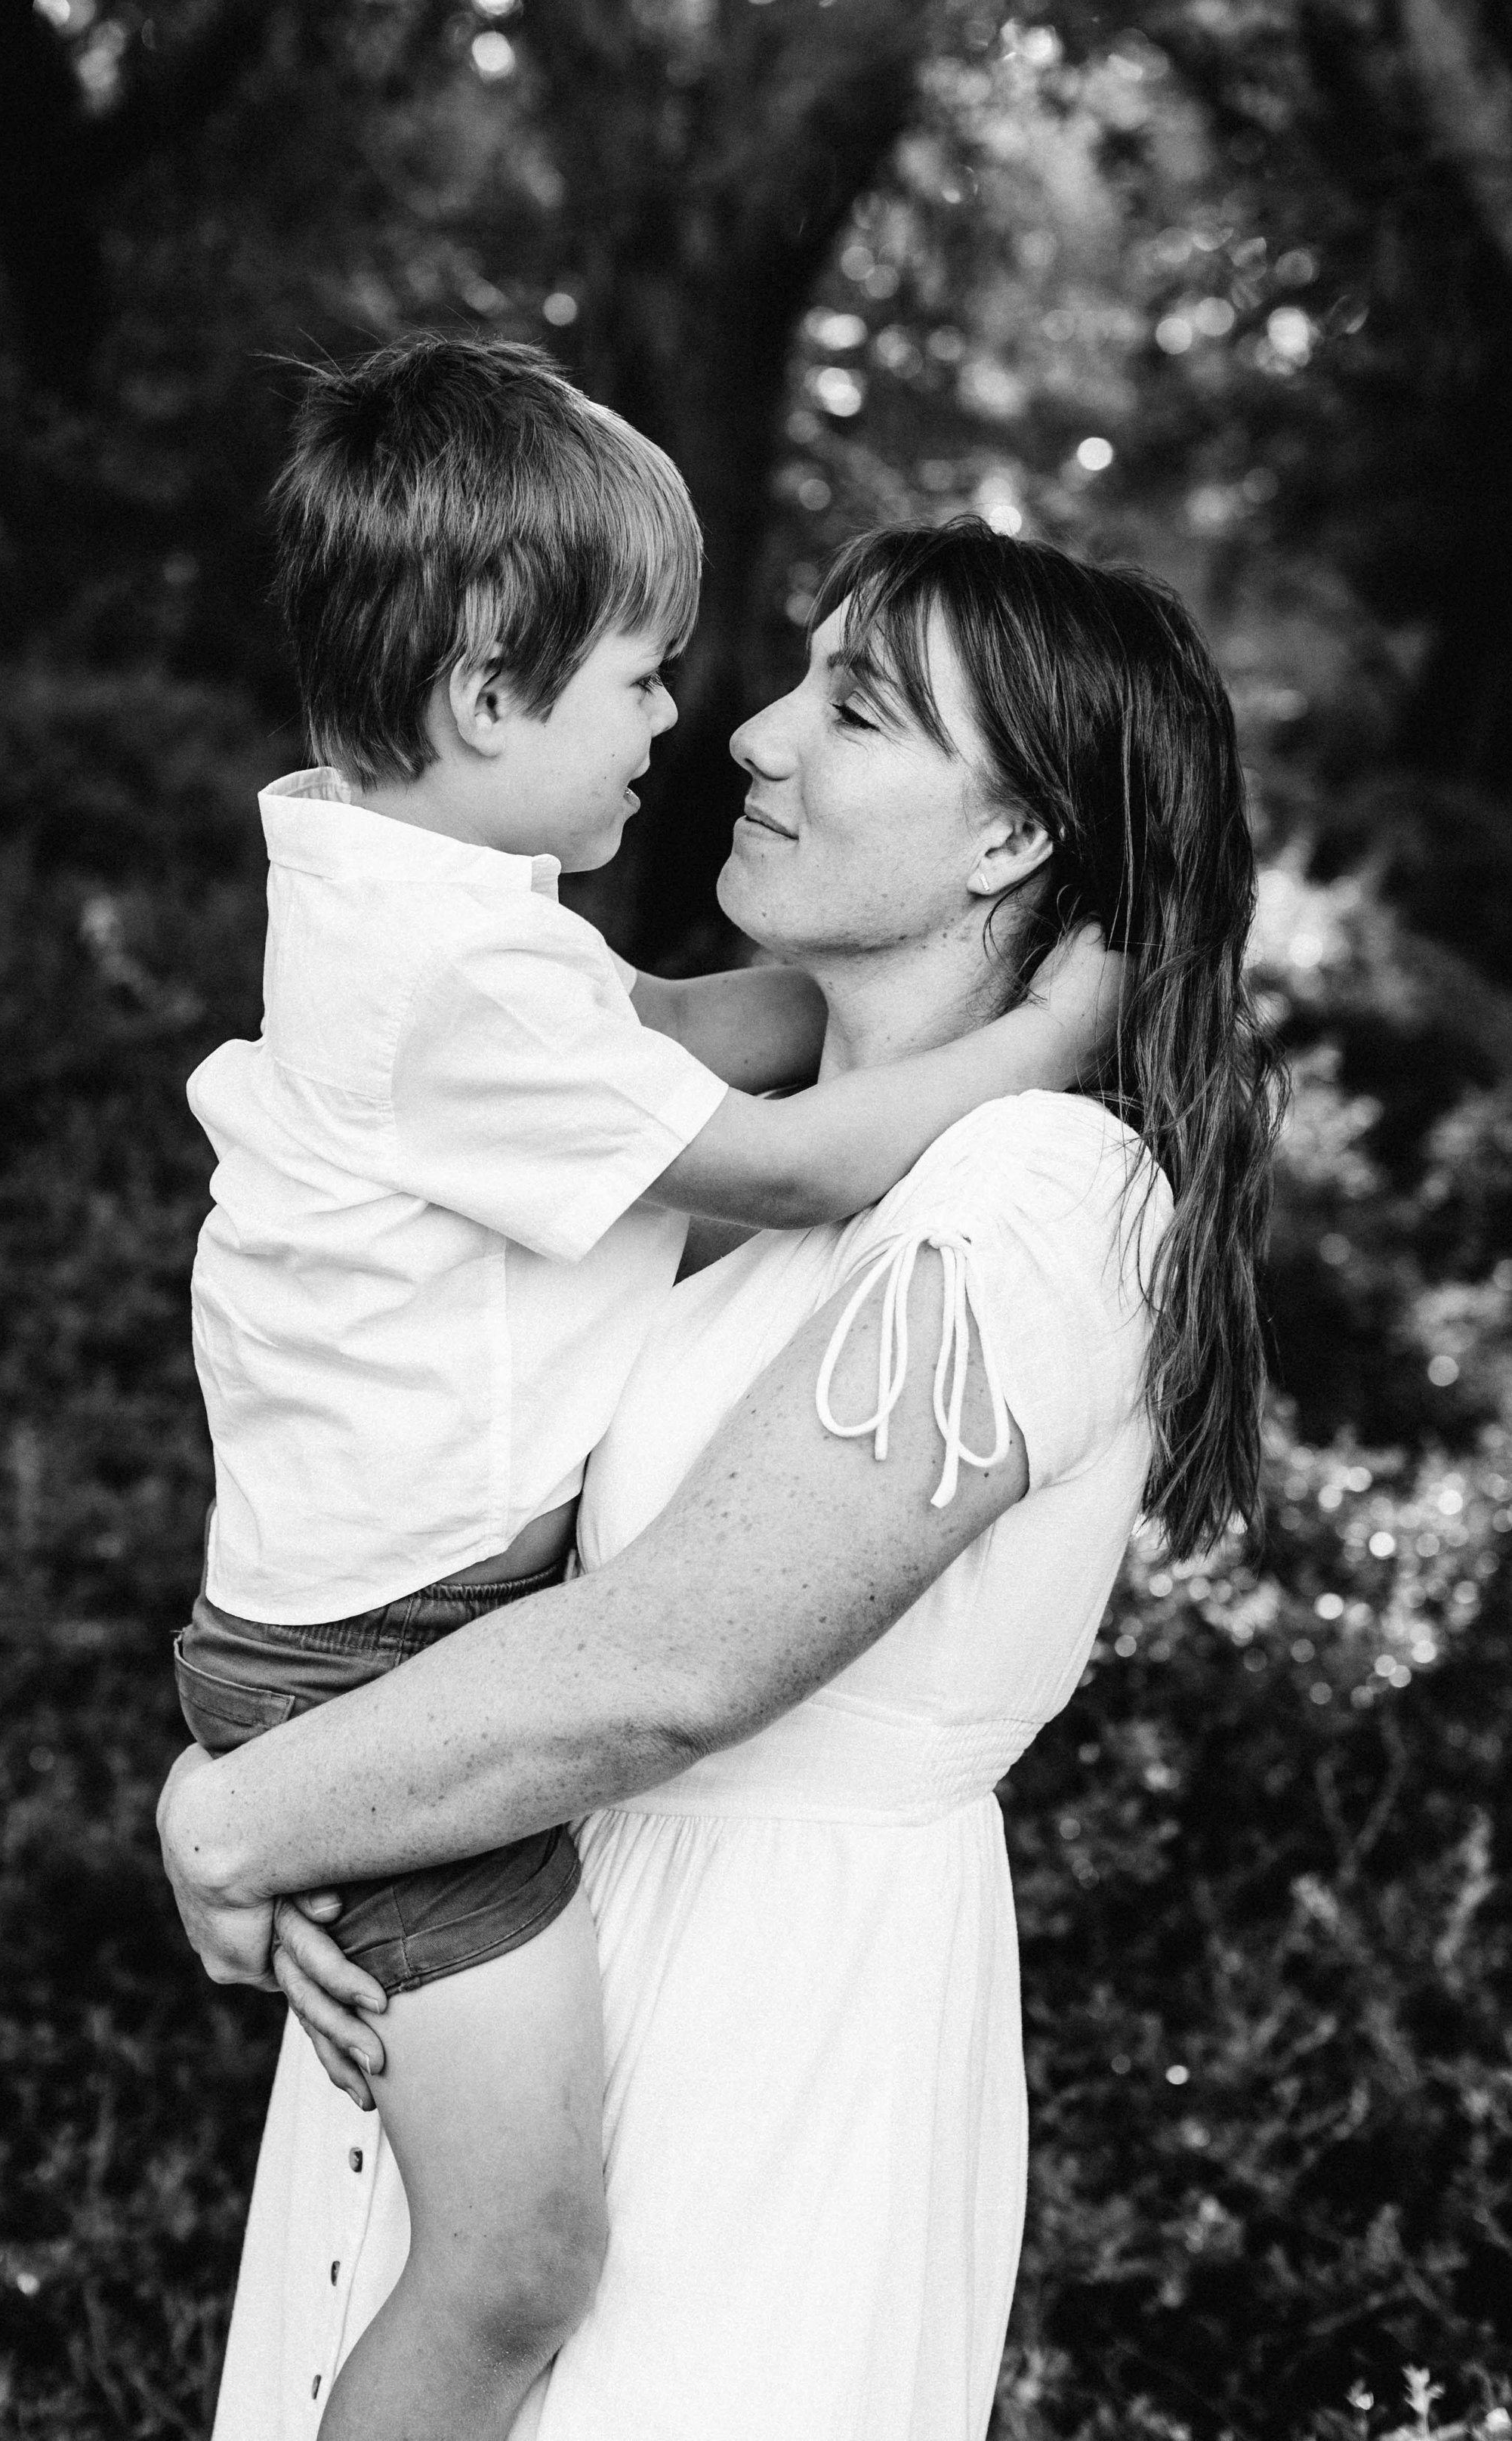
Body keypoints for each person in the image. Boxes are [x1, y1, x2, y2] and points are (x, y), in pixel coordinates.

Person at [160, 516, 1285, 2441]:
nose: (749, 737)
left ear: (1013, 839)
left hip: (759, 2028)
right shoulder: (760, 1174)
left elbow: (674, 1659)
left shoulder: (1026, 1197)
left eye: (848, 709)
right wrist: (287, 1779)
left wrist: (236, 1812)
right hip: (514, 1921)